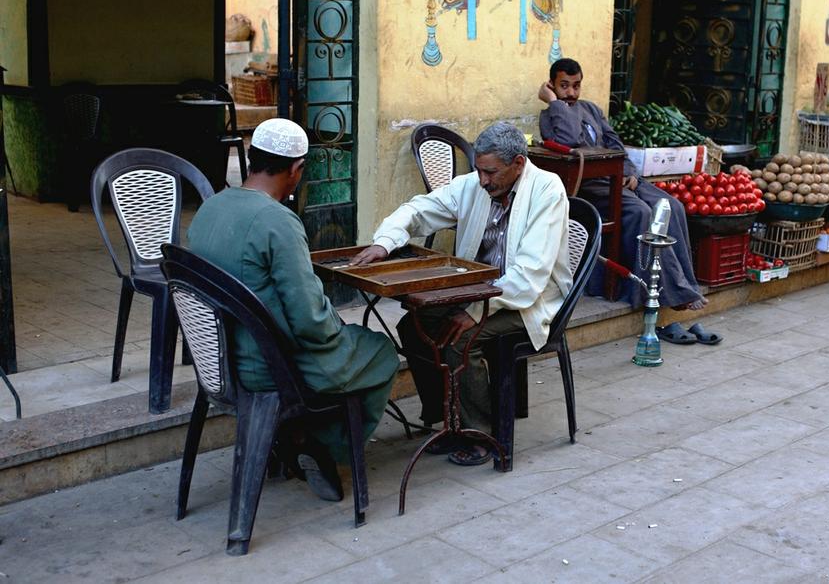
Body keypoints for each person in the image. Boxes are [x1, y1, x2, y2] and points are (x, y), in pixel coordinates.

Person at [187, 119, 399, 502]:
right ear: (297, 169)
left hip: (219, 361)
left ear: (252, 159)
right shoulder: (278, 221)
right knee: (379, 351)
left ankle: (297, 437)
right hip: (270, 367)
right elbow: (310, 322)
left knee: (351, 343)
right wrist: (339, 333)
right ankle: (322, 446)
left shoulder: (211, 208)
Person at [350, 122, 571, 466]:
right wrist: (385, 242)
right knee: (413, 326)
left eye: (490, 172)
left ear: (518, 163)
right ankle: (447, 421)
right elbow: (417, 209)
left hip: (531, 300)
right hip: (477, 291)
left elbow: (529, 275)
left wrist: (475, 311)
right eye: (479, 170)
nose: (483, 180)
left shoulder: (547, 191)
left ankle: (479, 433)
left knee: (459, 339)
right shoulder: (474, 186)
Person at [537, 58, 708, 343]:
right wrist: (554, 103)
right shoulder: (549, 116)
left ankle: (685, 286)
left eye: (575, 86)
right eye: (563, 86)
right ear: (551, 85)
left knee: (671, 206)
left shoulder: (591, 109)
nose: (571, 93)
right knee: (640, 212)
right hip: (591, 186)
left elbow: (614, 143)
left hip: (621, 177)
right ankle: (661, 292)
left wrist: (628, 171)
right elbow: (567, 139)